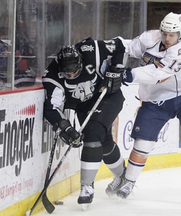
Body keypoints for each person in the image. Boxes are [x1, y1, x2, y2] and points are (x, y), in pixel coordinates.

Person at [107, 12, 181, 204]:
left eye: (172, 35)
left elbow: (158, 73)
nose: (167, 38)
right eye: (164, 33)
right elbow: (129, 46)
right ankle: (128, 181)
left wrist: (129, 75)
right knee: (142, 143)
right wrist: (109, 46)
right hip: (155, 98)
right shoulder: (150, 37)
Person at [42, 37, 127, 207]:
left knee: (93, 135)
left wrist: (116, 70)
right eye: (68, 73)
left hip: (108, 96)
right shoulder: (52, 76)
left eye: (75, 71)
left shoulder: (91, 49)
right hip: (83, 107)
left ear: (80, 61)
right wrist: (65, 128)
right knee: (103, 142)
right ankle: (123, 176)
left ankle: (86, 187)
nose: (72, 74)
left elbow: (120, 45)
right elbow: (51, 109)